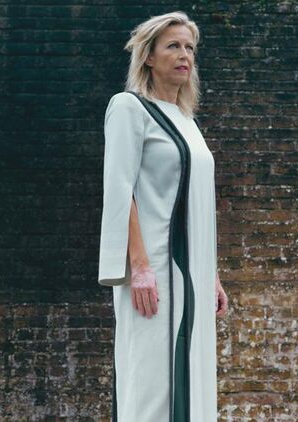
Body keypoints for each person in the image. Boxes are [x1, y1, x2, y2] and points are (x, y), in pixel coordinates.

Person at [97, 11, 229, 422]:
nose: (184, 55)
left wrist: (211, 274)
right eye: (173, 46)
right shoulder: (129, 108)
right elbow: (120, 188)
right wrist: (139, 267)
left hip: (191, 278)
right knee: (151, 381)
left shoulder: (187, 122)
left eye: (190, 47)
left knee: (191, 380)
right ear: (149, 56)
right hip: (152, 274)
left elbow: (195, 200)